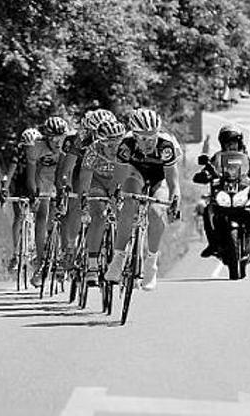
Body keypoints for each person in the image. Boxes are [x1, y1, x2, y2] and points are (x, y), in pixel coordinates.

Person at [104, 108, 182, 291]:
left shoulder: (166, 146)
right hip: (135, 173)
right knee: (129, 204)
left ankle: (151, 264)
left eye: (152, 137)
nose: (149, 142)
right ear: (135, 136)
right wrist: (116, 197)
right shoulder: (126, 145)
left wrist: (175, 202)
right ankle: (118, 259)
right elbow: (118, 179)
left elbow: (173, 182)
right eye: (144, 138)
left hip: (159, 177)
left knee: (156, 212)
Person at [195, 125, 250, 260]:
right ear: (222, 144)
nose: (231, 146)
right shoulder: (217, 157)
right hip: (222, 194)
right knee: (207, 210)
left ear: (239, 142)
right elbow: (207, 170)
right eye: (227, 143)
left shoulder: (248, 157)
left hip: (243, 193)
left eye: (233, 143)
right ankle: (212, 244)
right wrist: (204, 175)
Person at [57, 109, 117, 272]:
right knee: (77, 202)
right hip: (82, 173)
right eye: (97, 132)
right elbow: (68, 169)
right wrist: (66, 187)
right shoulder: (80, 140)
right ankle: (70, 248)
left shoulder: (115, 140)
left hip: (106, 173)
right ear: (90, 131)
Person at [74, 119, 128, 284]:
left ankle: (122, 262)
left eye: (116, 145)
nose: (114, 150)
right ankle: (92, 265)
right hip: (97, 183)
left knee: (125, 218)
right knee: (99, 215)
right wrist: (84, 197)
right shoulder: (93, 150)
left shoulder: (128, 149)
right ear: (101, 143)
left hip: (119, 182)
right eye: (109, 146)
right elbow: (85, 176)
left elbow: (132, 175)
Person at [25, 116, 71, 287]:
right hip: (43, 177)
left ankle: (65, 258)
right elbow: (31, 175)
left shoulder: (69, 145)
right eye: (53, 139)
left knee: (66, 213)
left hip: (62, 177)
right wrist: (34, 194)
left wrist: (62, 193)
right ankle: (40, 263)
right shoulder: (35, 147)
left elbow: (65, 173)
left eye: (61, 138)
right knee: (42, 214)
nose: (58, 143)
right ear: (46, 137)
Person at [0, 127, 41, 269]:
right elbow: (10, 171)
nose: (29, 150)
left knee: (39, 216)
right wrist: (4, 188)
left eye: (32, 147)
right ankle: (16, 254)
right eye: (26, 147)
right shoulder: (18, 152)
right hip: (20, 186)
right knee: (18, 217)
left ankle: (35, 248)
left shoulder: (43, 153)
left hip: (38, 185)